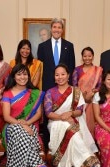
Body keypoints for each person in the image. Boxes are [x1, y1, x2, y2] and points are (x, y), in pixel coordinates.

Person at [44, 64, 100, 167]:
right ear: (54, 77)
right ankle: (87, 159)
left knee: (69, 127)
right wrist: (62, 117)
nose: (60, 77)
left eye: (63, 74)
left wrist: (70, 114)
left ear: (68, 76)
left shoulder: (76, 91)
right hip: (54, 121)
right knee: (67, 126)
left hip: (73, 119)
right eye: (57, 75)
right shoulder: (50, 92)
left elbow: (79, 111)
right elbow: (48, 113)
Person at [1, 64, 48, 167]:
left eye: (25, 74)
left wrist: (26, 124)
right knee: (21, 133)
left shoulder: (35, 93)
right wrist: (21, 124)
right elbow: (6, 116)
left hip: (31, 123)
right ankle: (36, 166)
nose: (22, 77)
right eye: (19, 74)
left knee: (24, 134)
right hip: (12, 125)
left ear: (28, 76)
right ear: (14, 76)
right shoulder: (8, 93)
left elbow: (38, 114)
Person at [37, 17, 76, 151]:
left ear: (62, 30)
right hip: (48, 87)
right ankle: (50, 147)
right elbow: (40, 69)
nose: (57, 30)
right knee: (48, 117)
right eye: (55, 27)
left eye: (59, 27)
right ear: (51, 29)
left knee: (65, 116)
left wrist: (69, 88)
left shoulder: (69, 46)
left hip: (64, 89)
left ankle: (66, 146)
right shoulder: (42, 47)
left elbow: (71, 67)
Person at [72, 47, 102, 136]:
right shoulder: (77, 70)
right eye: (85, 56)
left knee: (91, 119)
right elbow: (75, 86)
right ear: (82, 57)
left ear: (93, 56)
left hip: (93, 99)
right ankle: (79, 139)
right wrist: (82, 96)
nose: (87, 58)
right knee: (79, 120)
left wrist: (91, 94)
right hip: (80, 99)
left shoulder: (97, 70)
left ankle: (91, 139)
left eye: (89, 56)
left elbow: (99, 85)